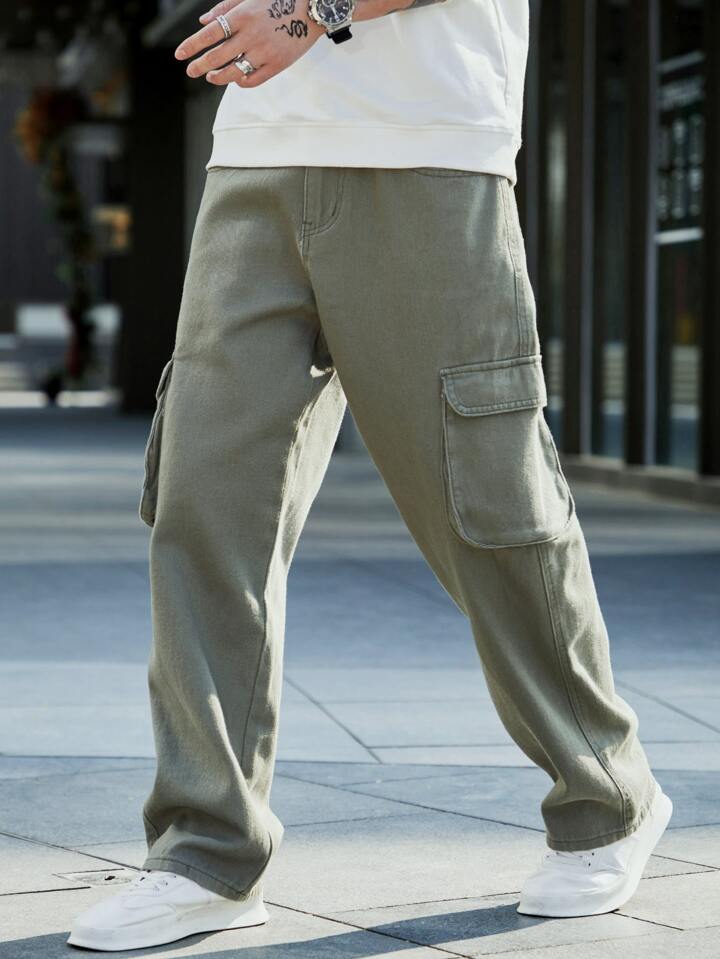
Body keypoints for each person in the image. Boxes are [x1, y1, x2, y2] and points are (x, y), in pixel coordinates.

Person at [68, 0, 672, 950]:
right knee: (203, 503)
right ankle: (207, 851)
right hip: (255, 153)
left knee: (485, 504)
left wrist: (312, 12)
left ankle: (609, 797)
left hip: (429, 149)